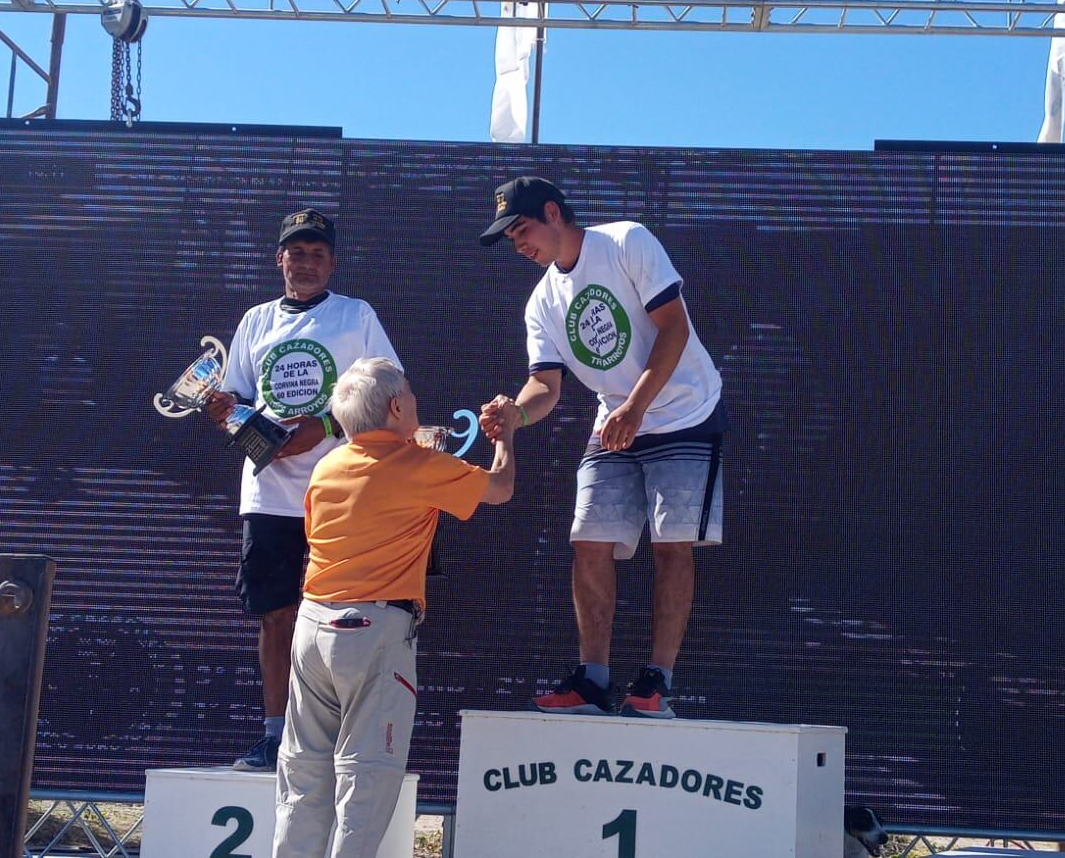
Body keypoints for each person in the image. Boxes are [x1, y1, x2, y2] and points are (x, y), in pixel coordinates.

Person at [478, 176, 726, 720]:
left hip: (685, 410)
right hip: (615, 418)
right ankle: (592, 681)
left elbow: (675, 329)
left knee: (671, 545)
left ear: (553, 212)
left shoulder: (625, 241)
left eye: (521, 229)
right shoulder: (541, 301)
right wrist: (515, 414)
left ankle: (656, 682)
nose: (519, 245)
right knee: (588, 538)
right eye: (510, 238)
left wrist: (636, 407)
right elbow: (545, 386)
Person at [272, 358, 518, 858]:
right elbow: (501, 488)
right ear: (396, 406)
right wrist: (506, 436)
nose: (416, 401)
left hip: (312, 624)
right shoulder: (421, 467)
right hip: (373, 630)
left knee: (302, 776)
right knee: (367, 780)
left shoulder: (327, 466)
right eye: (409, 393)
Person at [206, 209, 401, 772]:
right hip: (267, 494)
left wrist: (324, 427)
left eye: (318, 253)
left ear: (333, 262)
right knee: (274, 615)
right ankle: (276, 735)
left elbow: (391, 393)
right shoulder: (255, 321)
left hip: (343, 488)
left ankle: (339, 738)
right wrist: (232, 419)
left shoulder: (356, 315)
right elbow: (234, 400)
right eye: (297, 252)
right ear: (280, 260)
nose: (307, 262)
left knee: (342, 616)